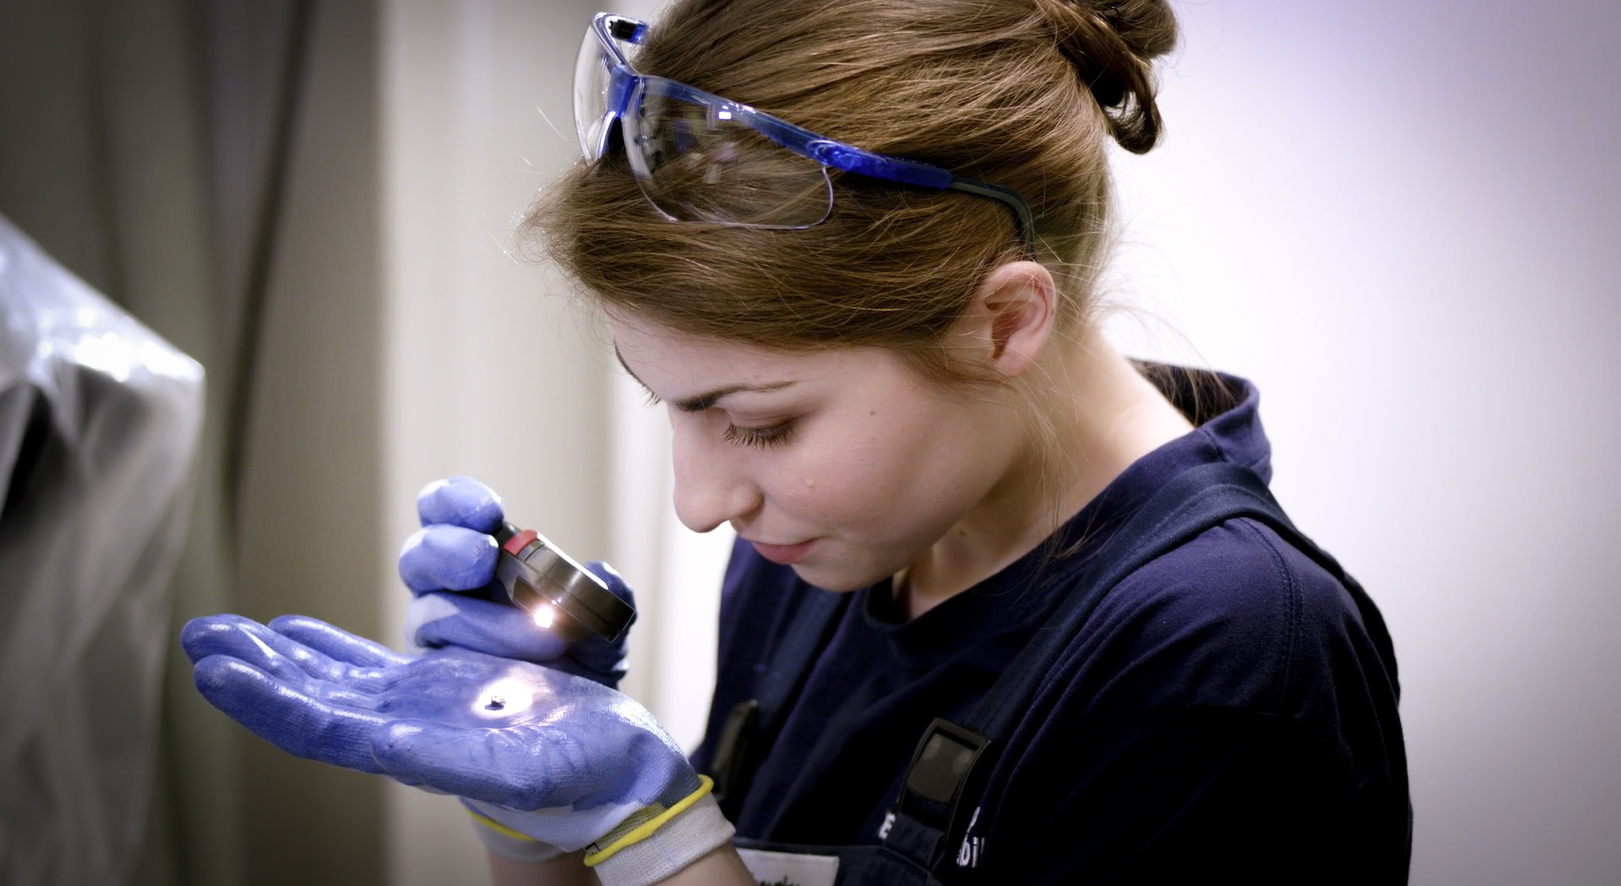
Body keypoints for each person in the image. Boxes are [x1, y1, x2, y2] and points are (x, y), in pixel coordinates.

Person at [181, 1, 1411, 884]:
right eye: (665, 400)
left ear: (1003, 323)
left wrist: (653, 834)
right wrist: (538, 816)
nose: (701, 505)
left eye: (758, 421)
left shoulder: (1227, 662)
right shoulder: (830, 551)